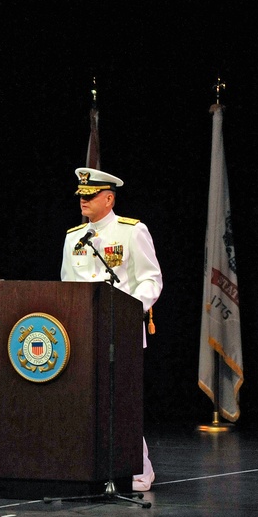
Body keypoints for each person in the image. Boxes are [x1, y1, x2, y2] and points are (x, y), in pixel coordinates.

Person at [61, 167, 163, 492]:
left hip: (122, 331)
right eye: (81, 196)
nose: (83, 201)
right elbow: (67, 285)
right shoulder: (73, 238)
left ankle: (139, 469)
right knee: (86, 402)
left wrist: (131, 309)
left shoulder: (131, 231)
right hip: (83, 333)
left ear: (109, 198)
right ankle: (91, 466)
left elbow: (151, 278)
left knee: (121, 402)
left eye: (90, 196)